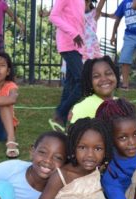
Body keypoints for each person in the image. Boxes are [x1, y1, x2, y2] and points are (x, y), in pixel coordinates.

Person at [47, 0, 85, 131]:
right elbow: (53, 16)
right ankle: (60, 112)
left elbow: (77, 20)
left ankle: (60, 123)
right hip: (68, 44)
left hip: (77, 46)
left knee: (70, 84)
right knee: (83, 82)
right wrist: (74, 34)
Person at [68, 55, 119, 125]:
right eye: (96, 76)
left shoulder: (121, 104)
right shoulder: (82, 108)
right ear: (89, 81)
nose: (104, 79)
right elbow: (76, 134)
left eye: (108, 73)